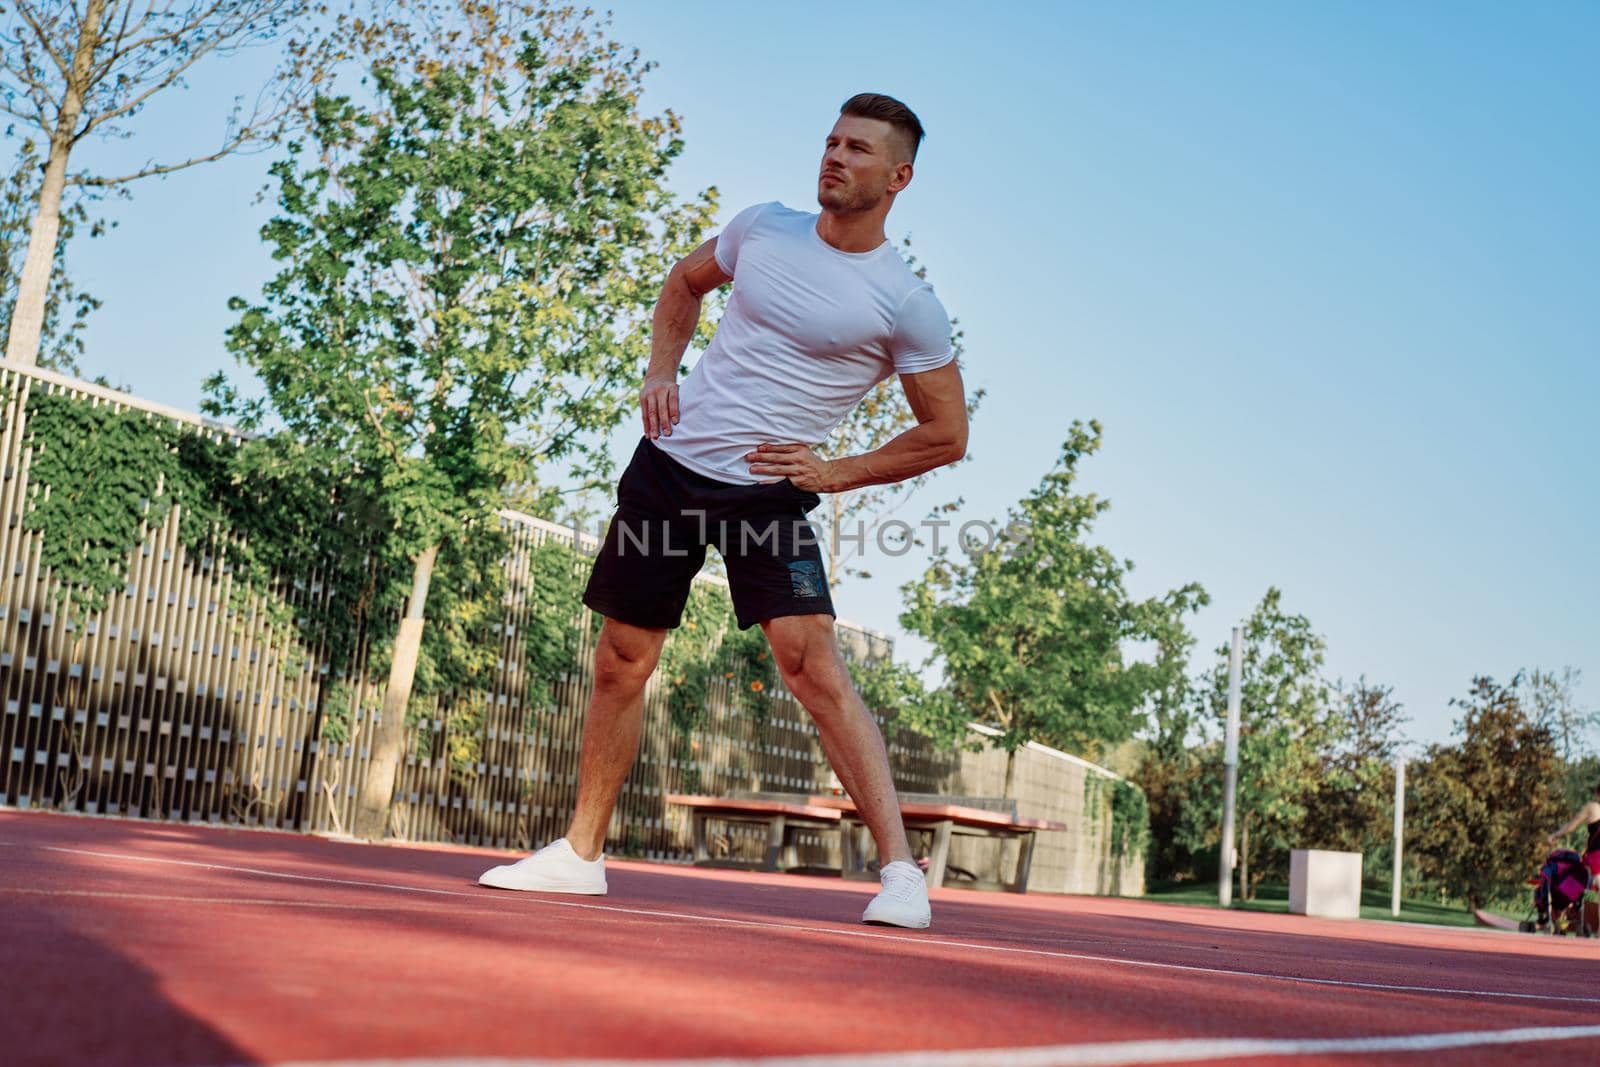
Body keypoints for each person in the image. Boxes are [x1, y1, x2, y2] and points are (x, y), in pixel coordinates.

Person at [477, 93, 969, 929]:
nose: (835, 157)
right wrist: (660, 371)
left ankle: (899, 872)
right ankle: (580, 855)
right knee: (619, 657)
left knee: (810, 665)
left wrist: (835, 471)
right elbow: (685, 280)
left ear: (898, 176)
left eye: (857, 149)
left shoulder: (903, 302)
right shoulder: (762, 228)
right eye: (831, 141)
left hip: (768, 490)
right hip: (669, 468)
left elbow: (946, 432)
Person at [1546, 782, 1600, 877]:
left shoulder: (1592, 807)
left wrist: (1554, 835)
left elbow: (1570, 827)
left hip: (1597, 858)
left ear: (1597, 793)